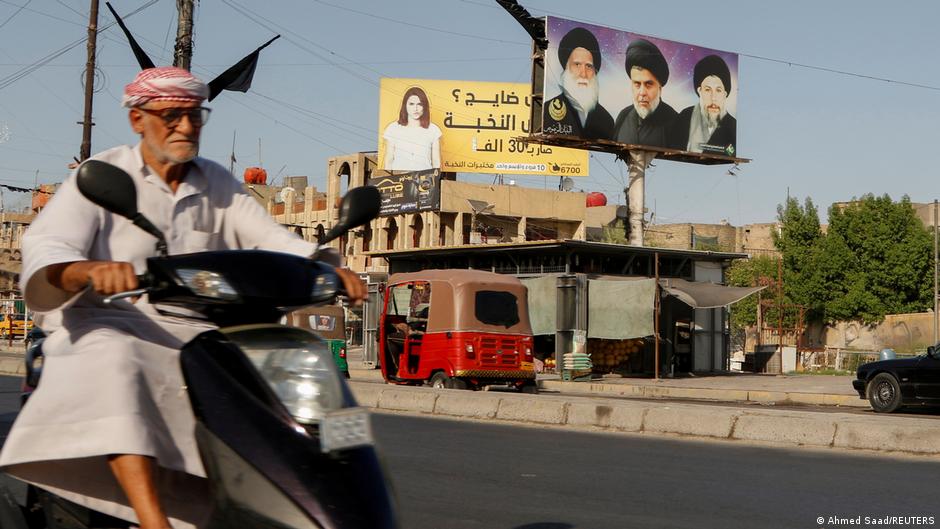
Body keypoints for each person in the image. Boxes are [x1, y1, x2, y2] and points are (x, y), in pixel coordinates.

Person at [0, 66, 366, 529]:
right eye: (172, 116)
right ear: (138, 119)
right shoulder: (104, 175)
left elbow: (269, 237)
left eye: (195, 116)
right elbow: (49, 244)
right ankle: (155, 520)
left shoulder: (216, 182)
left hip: (197, 329)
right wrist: (88, 269)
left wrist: (326, 267)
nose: (187, 127)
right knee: (116, 359)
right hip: (107, 321)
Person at [543, 27, 614, 140]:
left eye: (589, 66)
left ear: (595, 72)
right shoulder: (546, 112)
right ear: (566, 68)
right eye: (577, 65)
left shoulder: (606, 121)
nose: (583, 74)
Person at [612, 38, 678, 148]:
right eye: (637, 84)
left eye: (648, 84)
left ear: (660, 88)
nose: (642, 93)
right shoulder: (623, 116)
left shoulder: (675, 123)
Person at [668, 54, 737, 156]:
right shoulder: (685, 117)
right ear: (699, 91)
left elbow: (730, 153)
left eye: (718, 90)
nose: (713, 98)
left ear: (725, 94)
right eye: (707, 90)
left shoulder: (732, 126)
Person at [382, 86, 442, 172]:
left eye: (419, 104)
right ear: (405, 106)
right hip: (398, 179)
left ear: (424, 106)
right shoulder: (393, 128)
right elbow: (389, 160)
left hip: (424, 180)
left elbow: (436, 161)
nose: (416, 108)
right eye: (411, 104)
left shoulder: (433, 130)